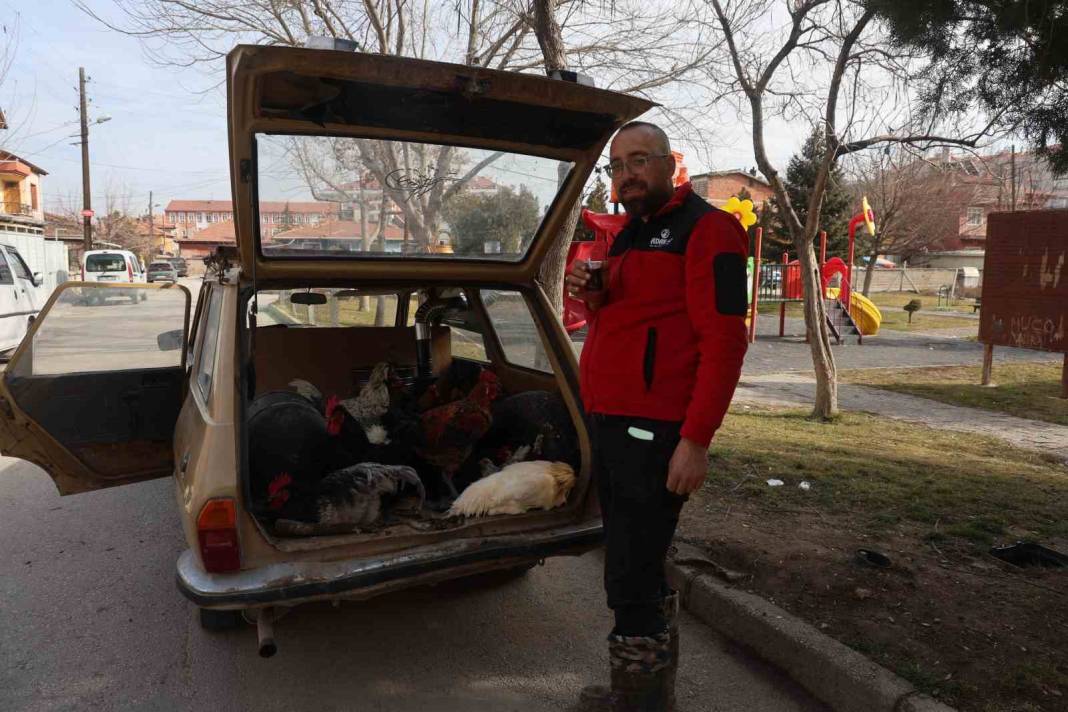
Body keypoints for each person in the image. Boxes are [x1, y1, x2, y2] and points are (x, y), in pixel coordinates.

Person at [567, 122, 749, 712]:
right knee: (635, 561)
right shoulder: (628, 235)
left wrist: (695, 440)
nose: (627, 174)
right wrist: (590, 295)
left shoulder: (710, 231)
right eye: (618, 165)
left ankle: (640, 702)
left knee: (629, 570)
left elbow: (725, 343)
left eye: (640, 160)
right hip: (613, 423)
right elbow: (620, 322)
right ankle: (646, 694)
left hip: (655, 432)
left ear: (672, 164)